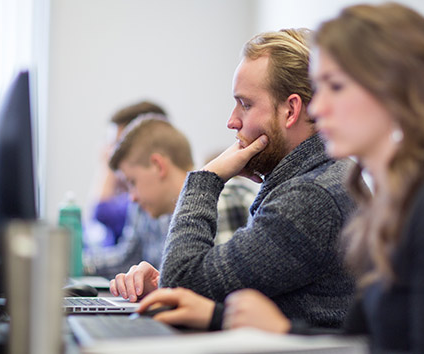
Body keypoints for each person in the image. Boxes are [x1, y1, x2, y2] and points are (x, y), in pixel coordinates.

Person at [202, 3, 424, 353]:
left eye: (335, 86)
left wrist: (283, 334)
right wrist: (242, 321)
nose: (318, 108)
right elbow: (364, 341)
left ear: (393, 91)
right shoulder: (395, 201)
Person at [110, 28, 360, 329]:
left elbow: (184, 283)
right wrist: (165, 285)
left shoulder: (311, 196)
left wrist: (206, 177)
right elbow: (228, 291)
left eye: (246, 104)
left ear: (291, 110)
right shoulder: (318, 177)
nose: (232, 121)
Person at [86, 116, 256, 277]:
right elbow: (126, 259)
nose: (132, 197)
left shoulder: (220, 199)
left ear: (158, 166)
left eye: (132, 182)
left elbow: (219, 289)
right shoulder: (151, 210)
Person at [86, 100, 167, 248]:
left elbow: (102, 212)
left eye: (117, 144)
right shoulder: (135, 196)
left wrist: (108, 166)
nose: (111, 151)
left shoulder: (146, 197)